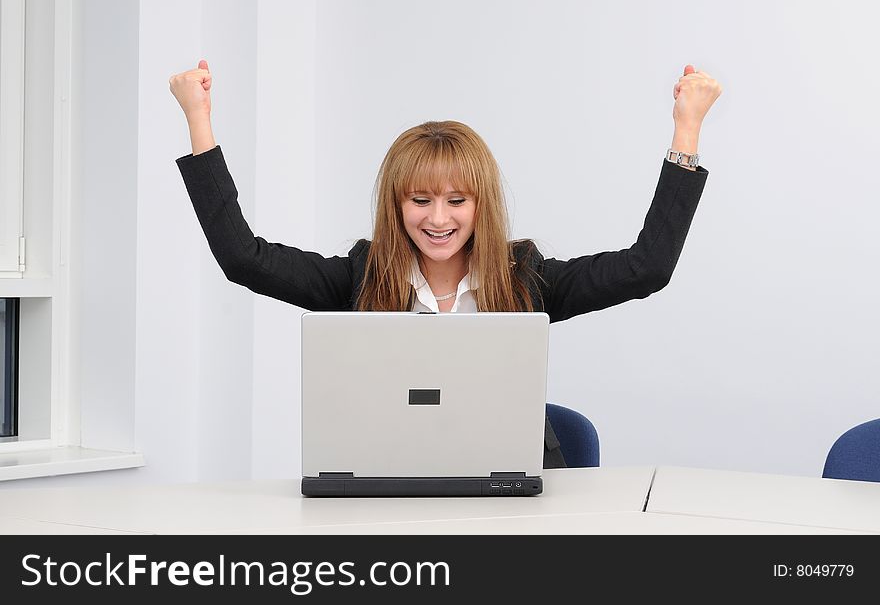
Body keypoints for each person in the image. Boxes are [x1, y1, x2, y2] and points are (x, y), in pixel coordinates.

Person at [169, 59, 721, 468]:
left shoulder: (526, 277)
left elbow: (647, 267)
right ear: (396, 204)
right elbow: (244, 258)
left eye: (457, 201)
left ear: (481, 204)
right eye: (420, 200)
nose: (438, 219)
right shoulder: (359, 277)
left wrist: (686, 130)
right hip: (388, 484)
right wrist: (199, 119)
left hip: (511, 491)